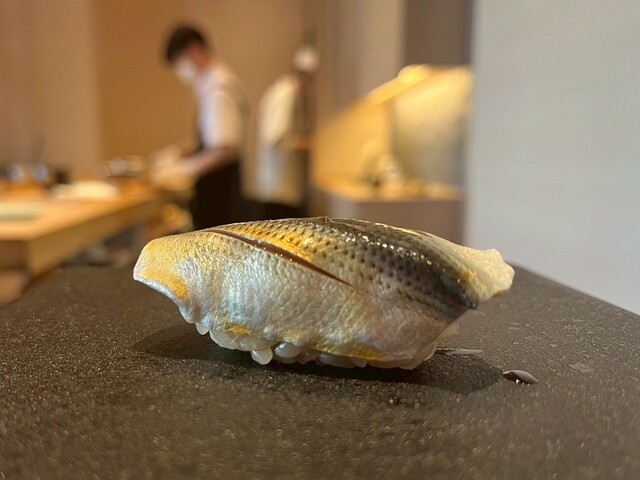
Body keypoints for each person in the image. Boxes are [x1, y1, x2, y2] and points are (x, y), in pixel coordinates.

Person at [163, 25, 249, 229]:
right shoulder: (209, 84)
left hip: (220, 192)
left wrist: (186, 169)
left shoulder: (219, 87)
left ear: (195, 50)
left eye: (179, 62)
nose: (180, 71)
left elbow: (226, 148)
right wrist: (177, 154)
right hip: (216, 189)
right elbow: (207, 138)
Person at [254, 45, 318, 219]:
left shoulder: (288, 92)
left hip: (281, 187)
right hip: (279, 188)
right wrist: (307, 144)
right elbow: (276, 138)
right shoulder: (285, 94)